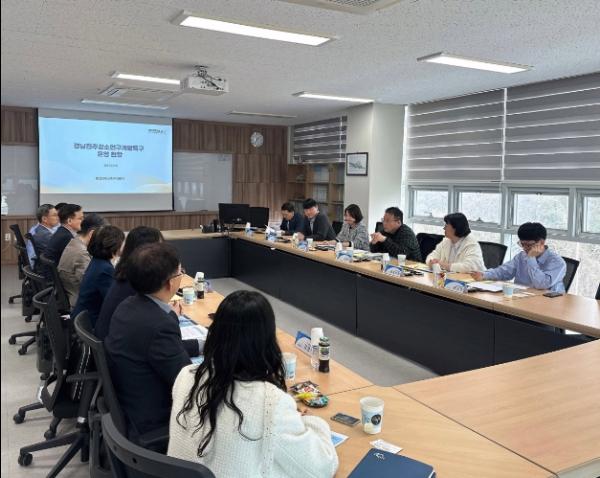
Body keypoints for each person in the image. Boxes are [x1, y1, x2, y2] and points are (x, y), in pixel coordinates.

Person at [168, 290, 339, 478]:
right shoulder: (271, 403)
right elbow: (323, 467)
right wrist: (312, 422)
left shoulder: (186, 375)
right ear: (267, 342)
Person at [105, 242, 192, 442]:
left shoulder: (127, 305)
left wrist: (205, 344)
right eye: (180, 272)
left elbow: (160, 350)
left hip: (129, 401)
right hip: (155, 417)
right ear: (170, 283)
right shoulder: (159, 325)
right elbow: (187, 383)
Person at [471, 222, 567, 292]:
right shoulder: (521, 256)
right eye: (522, 244)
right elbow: (504, 272)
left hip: (547, 303)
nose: (525, 248)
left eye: (529, 245)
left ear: (541, 242)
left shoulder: (558, 262)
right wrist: (484, 275)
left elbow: (541, 284)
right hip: (522, 297)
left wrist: (531, 258)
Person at [71, 225, 124, 327]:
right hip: (91, 324)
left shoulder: (97, 262)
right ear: (114, 245)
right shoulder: (105, 269)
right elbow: (114, 302)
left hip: (84, 318)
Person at [57, 213, 106, 306]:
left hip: (73, 293)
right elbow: (90, 284)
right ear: (92, 234)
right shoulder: (81, 253)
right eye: (102, 236)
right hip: (81, 302)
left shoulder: (74, 242)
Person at [26, 204, 59, 268]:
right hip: (47, 269)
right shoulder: (44, 235)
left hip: (44, 265)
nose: (58, 218)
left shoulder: (40, 229)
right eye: (55, 215)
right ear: (44, 219)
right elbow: (60, 252)